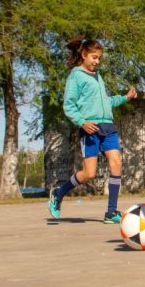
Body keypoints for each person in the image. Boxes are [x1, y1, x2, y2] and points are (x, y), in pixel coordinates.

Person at [47, 38, 137, 223]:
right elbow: (69, 105)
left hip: (108, 127)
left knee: (116, 163)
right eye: (94, 57)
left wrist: (125, 98)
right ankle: (58, 193)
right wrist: (82, 122)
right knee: (89, 173)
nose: (97, 61)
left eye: (99, 58)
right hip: (90, 129)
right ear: (83, 55)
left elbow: (106, 102)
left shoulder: (98, 77)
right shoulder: (76, 75)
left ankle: (111, 212)